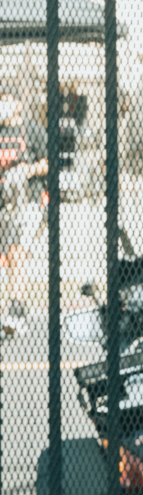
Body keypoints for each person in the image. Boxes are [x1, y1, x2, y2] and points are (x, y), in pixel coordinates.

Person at [0, 96, 47, 333]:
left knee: (17, 250)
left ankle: (16, 308)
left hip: (29, 200)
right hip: (5, 202)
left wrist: (28, 170)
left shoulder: (33, 130)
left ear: (19, 103)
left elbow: (49, 163)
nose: (4, 104)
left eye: (8, 99)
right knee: (8, 254)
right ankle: (12, 307)